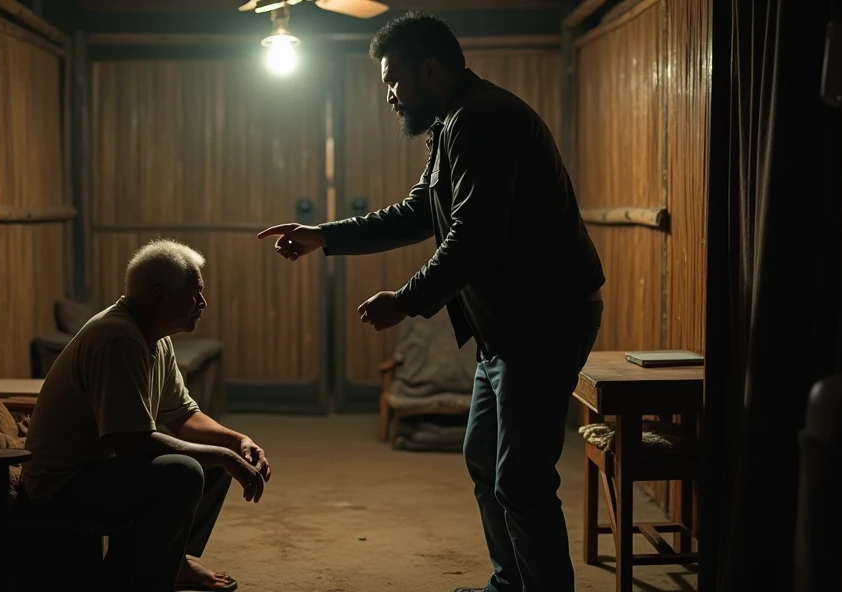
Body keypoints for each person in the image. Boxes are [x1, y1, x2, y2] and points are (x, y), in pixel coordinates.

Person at [258, 10, 605, 592]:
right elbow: (419, 212)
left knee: (521, 479)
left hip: (544, 319)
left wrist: (407, 299)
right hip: (507, 326)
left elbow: (475, 237)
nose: (390, 94)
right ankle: (510, 583)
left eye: (394, 78)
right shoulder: (452, 125)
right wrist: (327, 236)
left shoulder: (483, 120)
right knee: (482, 457)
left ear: (429, 68)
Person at [22, 238, 270, 592]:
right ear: (159, 296)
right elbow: (133, 444)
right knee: (184, 472)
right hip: (62, 485)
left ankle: (177, 559)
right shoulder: (118, 339)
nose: (203, 303)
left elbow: (184, 414)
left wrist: (237, 442)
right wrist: (223, 456)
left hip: (102, 469)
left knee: (215, 462)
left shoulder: (156, 337)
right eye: (195, 293)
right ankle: (127, 580)